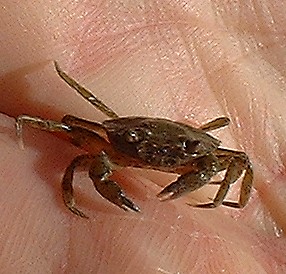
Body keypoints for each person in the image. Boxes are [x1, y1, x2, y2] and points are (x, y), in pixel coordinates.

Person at [0, 1, 285, 273]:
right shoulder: (106, 147)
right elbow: (68, 129)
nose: (156, 157)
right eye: (138, 140)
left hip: (167, 147)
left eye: (190, 147)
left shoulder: (206, 159)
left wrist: (226, 195)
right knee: (77, 156)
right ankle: (72, 199)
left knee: (240, 161)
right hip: (120, 149)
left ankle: (218, 194)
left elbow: (239, 163)